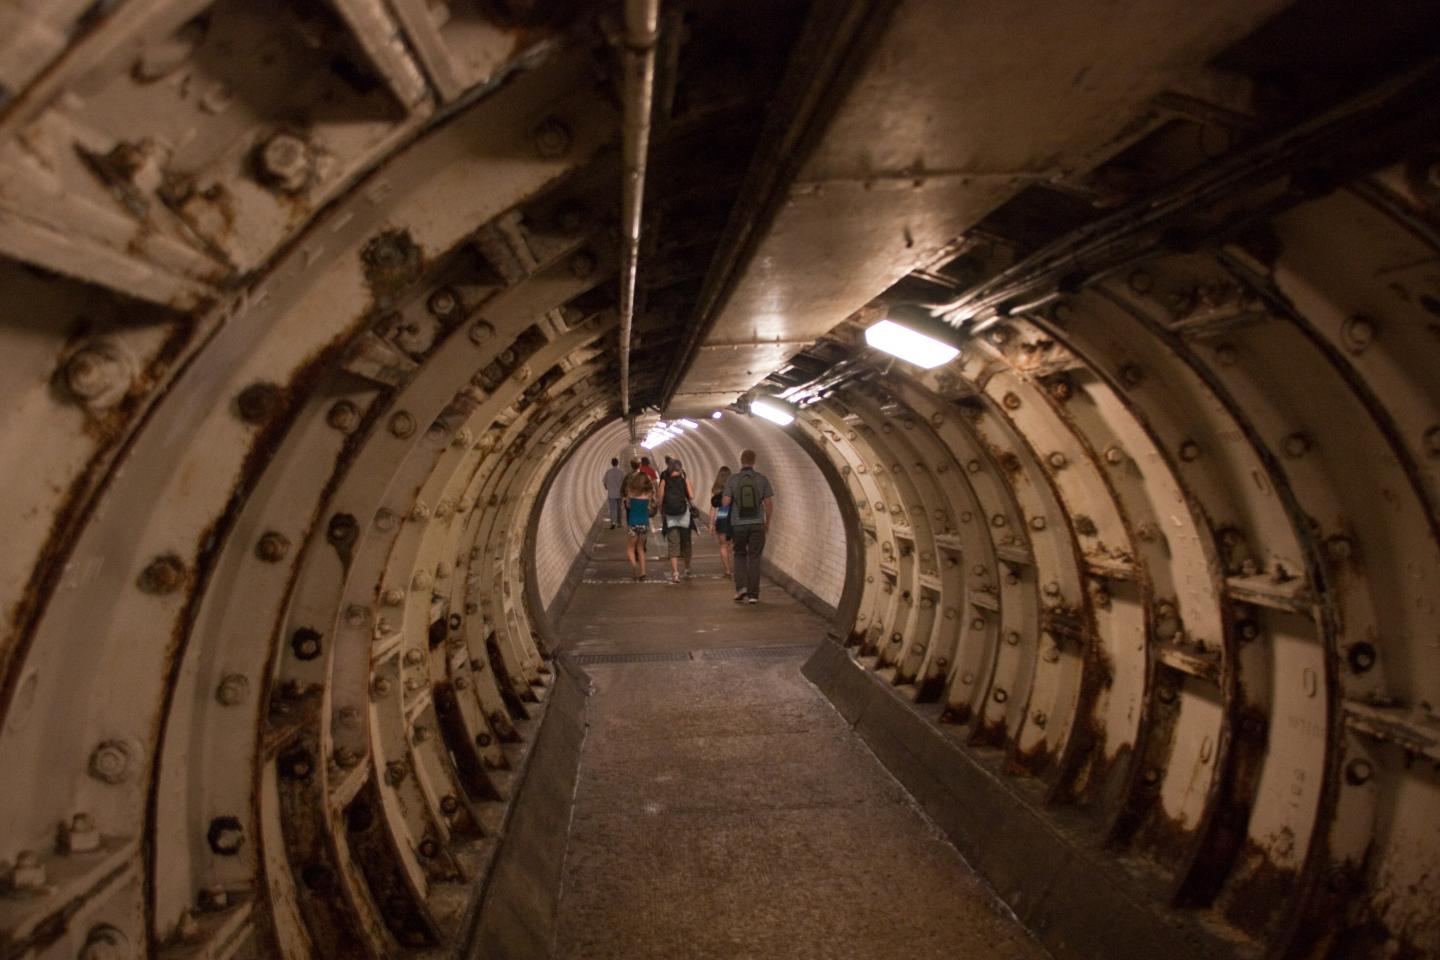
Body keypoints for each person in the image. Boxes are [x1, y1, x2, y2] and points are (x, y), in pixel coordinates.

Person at [722, 449, 774, 603]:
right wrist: (767, 522)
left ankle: (741, 589)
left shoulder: (733, 479)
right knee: (755, 558)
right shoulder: (761, 479)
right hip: (757, 524)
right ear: (754, 461)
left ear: (741, 460)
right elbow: (769, 504)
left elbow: (725, 502)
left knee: (739, 555)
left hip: (738, 524)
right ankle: (754, 595)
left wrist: (724, 522)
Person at [659, 458, 696, 582]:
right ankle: (687, 567)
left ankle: (675, 573)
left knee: (673, 543)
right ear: (680, 468)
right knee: (686, 542)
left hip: (670, 515)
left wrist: (661, 510)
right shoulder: (683, 478)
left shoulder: (664, 480)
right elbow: (691, 496)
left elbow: (660, 498)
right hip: (684, 514)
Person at [622, 460, 655, 580]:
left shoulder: (631, 493)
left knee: (630, 548)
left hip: (633, 523)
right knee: (641, 548)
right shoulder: (648, 494)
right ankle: (643, 572)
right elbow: (650, 506)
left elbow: (628, 506)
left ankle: (634, 567)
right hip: (645, 523)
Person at [709, 465, 733, 578]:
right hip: (734, 519)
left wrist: (711, 523)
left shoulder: (716, 490)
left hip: (722, 519)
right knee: (732, 545)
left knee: (723, 545)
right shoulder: (734, 488)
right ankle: (735, 566)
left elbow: (713, 508)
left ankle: (727, 570)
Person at [602, 457, 626, 529]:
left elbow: (604, 482)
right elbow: (624, 482)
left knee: (612, 509)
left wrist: (607, 487)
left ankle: (613, 522)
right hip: (619, 493)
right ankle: (619, 523)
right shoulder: (621, 472)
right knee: (619, 508)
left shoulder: (608, 472)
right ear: (617, 463)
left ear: (611, 463)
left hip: (611, 493)